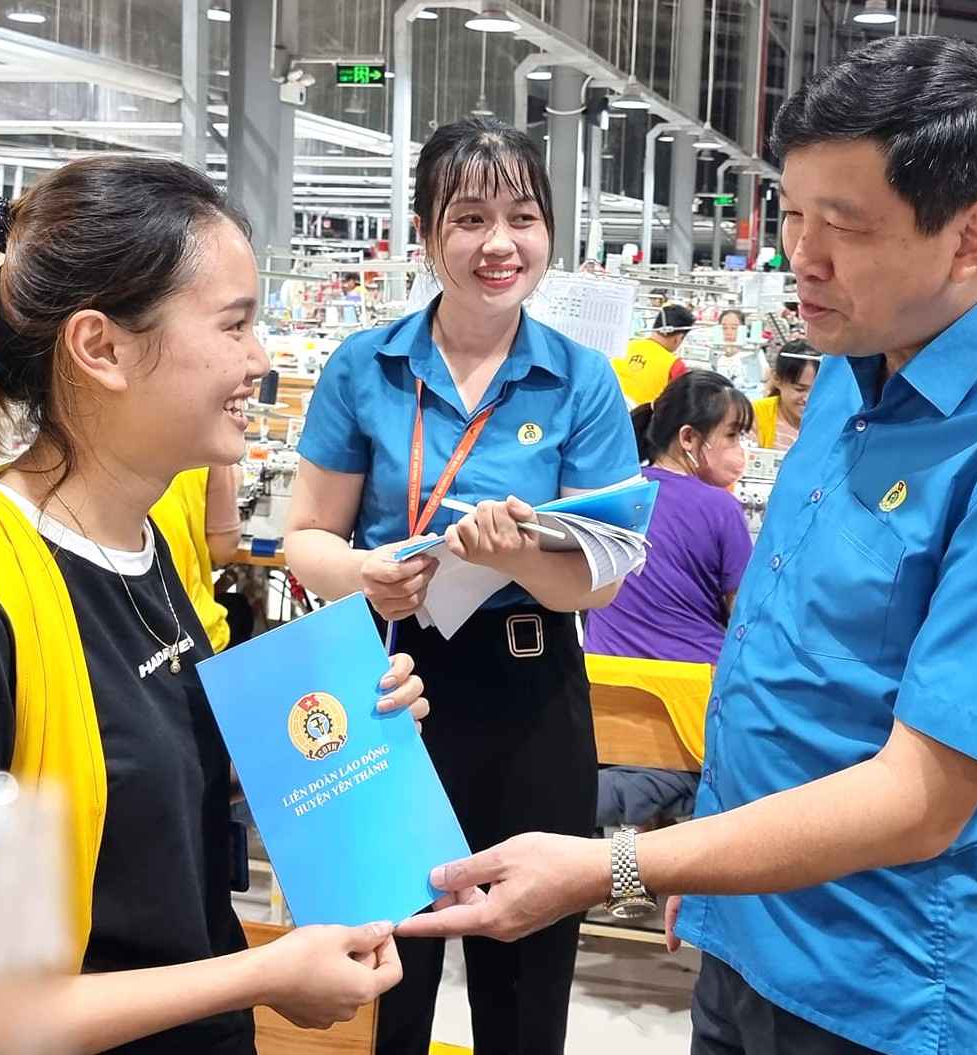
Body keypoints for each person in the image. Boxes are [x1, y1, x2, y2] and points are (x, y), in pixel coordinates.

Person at [398, 37, 977, 1055]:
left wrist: (626, 864)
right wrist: (707, 878)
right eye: (791, 215)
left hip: (890, 991)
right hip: (746, 932)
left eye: (844, 226)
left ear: (970, 236)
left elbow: (923, 796)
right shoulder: (855, 357)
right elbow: (784, 644)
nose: (802, 257)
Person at [0, 158, 427, 1053]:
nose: (260, 362)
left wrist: (335, 733)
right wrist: (261, 972)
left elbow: (145, 815)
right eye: (235, 324)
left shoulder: (148, 552)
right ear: (100, 347)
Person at [283, 117, 637, 1055]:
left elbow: (592, 587)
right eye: (469, 217)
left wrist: (513, 551)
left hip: (530, 690)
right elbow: (302, 540)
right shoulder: (366, 365)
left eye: (522, 216)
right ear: (426, 231)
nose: (499, 243)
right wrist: (365, 572)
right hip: (388, 682)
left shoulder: (581, 380)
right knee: (384, 965)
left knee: (525, 975)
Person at [586, 371, 755, 827]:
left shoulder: (613, 495)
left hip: (602, 691)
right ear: (688, 438)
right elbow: (744, 619)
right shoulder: (721, 508)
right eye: (734, 436)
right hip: (691, 706)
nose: (742, 452)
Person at [149, 465, 243, 653]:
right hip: (194, 631)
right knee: (241, 611)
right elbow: (224, 552)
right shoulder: (213, 450)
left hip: (128, 634)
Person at [611, 302, 694, 408]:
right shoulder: (675, 365)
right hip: (643, 422)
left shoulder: (623, 346)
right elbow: (681, 405)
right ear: (678, 338)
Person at [752, 340, 820, 451]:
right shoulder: (755, 415)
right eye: (800, 389)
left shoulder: (832, 420)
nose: (808, 399)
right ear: (777, 380)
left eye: (817, 392)